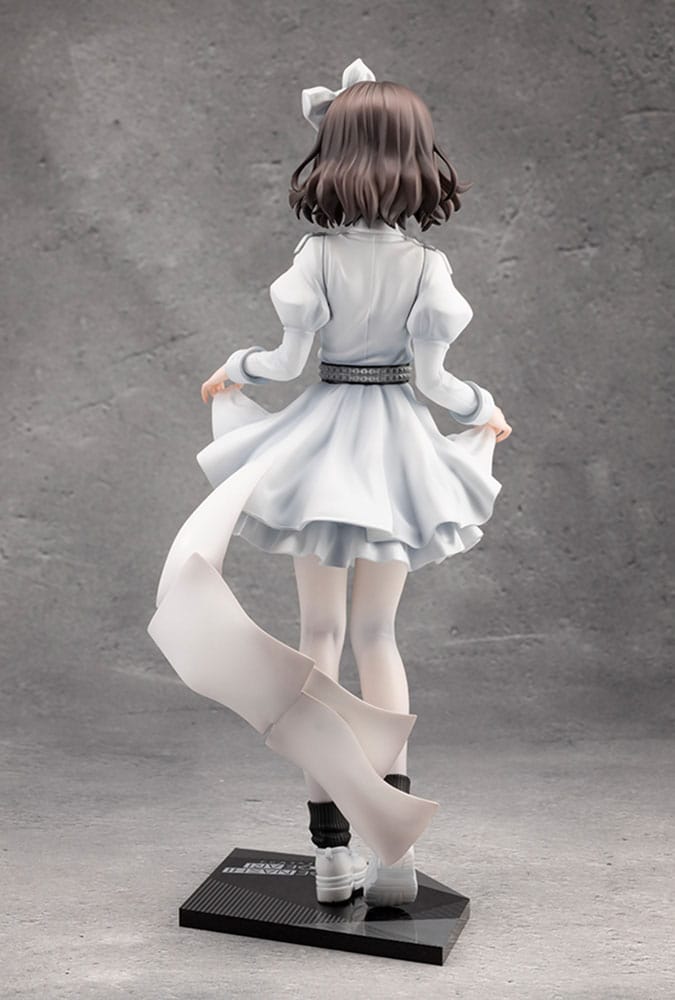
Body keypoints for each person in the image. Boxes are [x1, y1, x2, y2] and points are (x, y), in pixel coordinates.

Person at [197, 59, 512, 908]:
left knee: (318, 639)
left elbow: (284, 361)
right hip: (396, 447)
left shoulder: (316, 256)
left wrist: (233, 370)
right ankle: (392, 849)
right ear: (415, 156)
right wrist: (485, 410)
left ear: (332, 152)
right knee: (378, 637)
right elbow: (438, 383)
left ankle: (330, 853)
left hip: (326, 441)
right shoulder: (426, 267)